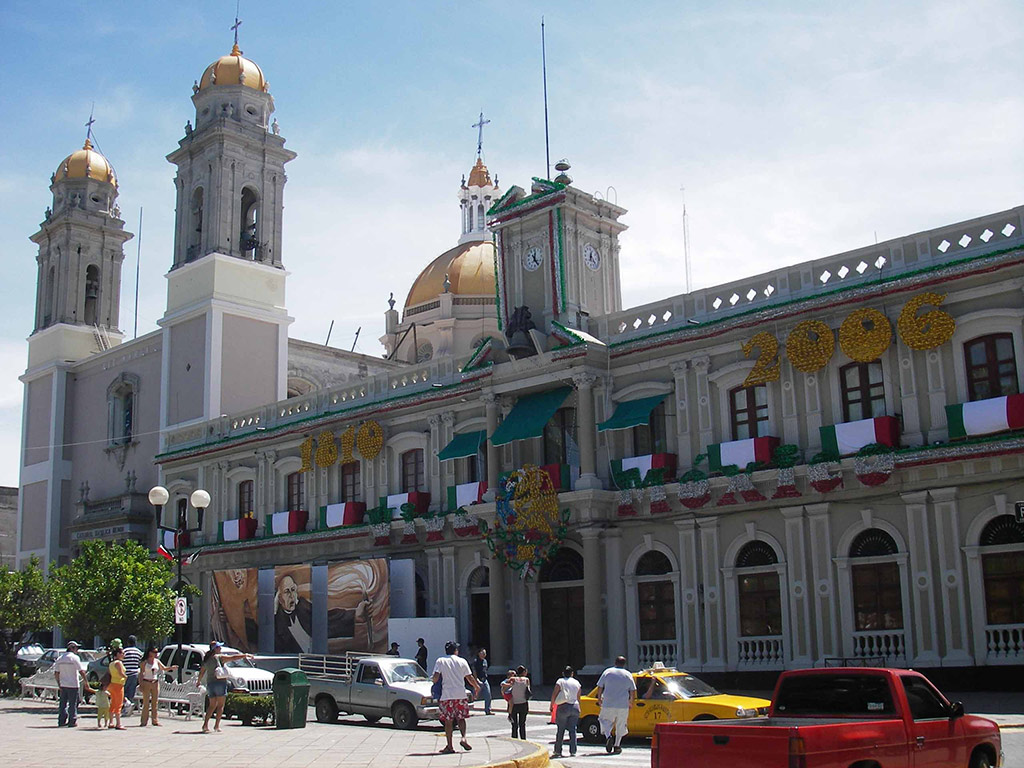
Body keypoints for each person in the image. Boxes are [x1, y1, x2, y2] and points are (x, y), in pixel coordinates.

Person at [431, 641, 479, 754]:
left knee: (448, 721)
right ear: (456, 651)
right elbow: (469, 677)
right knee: (461, 718)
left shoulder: (440, 661)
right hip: (460, 694)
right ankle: (463, 738)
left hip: (447, 696)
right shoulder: (462, 661)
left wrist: (433, 681)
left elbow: (435, 678)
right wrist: (476, 687)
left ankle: (450, 746)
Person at [198, 641, 253, 733]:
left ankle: (205, 725)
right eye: (219, 647)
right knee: (220, 705)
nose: (220, 649)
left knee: (211, 706)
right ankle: (216, 726)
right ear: (215, 649)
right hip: (220, 683)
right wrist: (245, 655)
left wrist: (198, 681)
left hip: (210, 683)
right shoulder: (219, 657)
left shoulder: (206, 659)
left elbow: (202, 672)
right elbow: (233, 657)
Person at [597, 655, 636, 754]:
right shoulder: (628, 674)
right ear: (624, 664)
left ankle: (608, 736)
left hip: (608, 702)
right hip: (623, 704)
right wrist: (631, 701)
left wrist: (599, 698)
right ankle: (617, 745)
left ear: (615, 662)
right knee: (621, 725)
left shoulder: (607, 672)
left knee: (603, 720)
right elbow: (632, 690)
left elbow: (600, 686)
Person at [53, 640, 90, 727]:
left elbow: (56, 673)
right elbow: (81, 671)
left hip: (63, 684)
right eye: (76, 648)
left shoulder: (60, 659)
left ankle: (61, 720)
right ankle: (72, 720)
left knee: (63, 704)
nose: (77, 650)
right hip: (73, 684)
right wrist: (86, 681)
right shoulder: (75, 658)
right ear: (72, 648)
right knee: (73, 703)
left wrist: (59, 683)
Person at [139, 645, 177, 726]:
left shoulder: (157, 661)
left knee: (155, 702)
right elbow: (141, 673)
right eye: (154, 652)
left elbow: (164, 668)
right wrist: (141, 684)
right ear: (150, 653)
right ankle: (144, 721)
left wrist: (171, 668)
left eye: (157, 652)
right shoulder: (144, 662)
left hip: (155, 682)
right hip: (146, 682)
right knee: (146, 703)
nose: (156, 653)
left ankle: (155, 720)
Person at [551, 666, 582, 758]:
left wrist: (552, 704)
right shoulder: (577, 682)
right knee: (573, 730)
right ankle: (573, 751)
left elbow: (555, 693)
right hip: (575, 706)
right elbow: (578, 696)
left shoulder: (560, 681)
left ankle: (558, 750)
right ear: (572, 674)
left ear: (563, 673)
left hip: (563, 706)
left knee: (561, 729)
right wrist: (579, 707)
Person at [502, 665, 531, 739]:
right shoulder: (526, 680)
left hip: (514, 703)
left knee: (514, 724)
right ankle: (523, 738)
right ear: (524, 672)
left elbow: (503, 684)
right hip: (523, 703)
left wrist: (508, 686)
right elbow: (528, 689)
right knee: (522, 724)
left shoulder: (513, 679)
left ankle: (514, 739)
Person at [106, 647, 128, 730]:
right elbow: (121, 673)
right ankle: (118, 723)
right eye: (122, 653)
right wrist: (126, 677)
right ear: (118, 654)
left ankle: (111, 722)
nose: (123, 655)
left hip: (112, 684)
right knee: (118, 704)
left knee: (113, 703)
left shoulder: (111, 663)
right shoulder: (118, 663)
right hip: (118, 684)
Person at [122, 635, 143, 714]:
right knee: (131, 692)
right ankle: (129, 708)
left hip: (125, 674)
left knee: (123, 692)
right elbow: (141, 663)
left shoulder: (125, 651)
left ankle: (125, 707)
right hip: (134, 674)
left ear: (128, 642)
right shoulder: (139, 652)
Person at [472, 648, 492, 715]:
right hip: (478, 680)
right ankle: (468, 709)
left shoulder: (485, 661)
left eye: (485, 653)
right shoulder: (476, 661)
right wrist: (476, 679)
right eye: (482, 653)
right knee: (474, 695)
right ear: (479, 653)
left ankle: (488, 710)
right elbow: (474, 671)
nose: (484, 654)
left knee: (488, 695)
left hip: (485, 680)